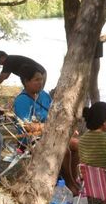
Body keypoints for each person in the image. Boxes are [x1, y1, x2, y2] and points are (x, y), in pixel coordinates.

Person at [13, 65, 80, 194]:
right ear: (26, 81)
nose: (41, 83)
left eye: (42, 79)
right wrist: (52, 127)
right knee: (64, 150)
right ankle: (69, 183)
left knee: (77, 145)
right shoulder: (21, 100)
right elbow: (28, 127)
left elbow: (54, 114)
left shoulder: (43, 95)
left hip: (52, 134)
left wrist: (67, 126)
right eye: (36, 80)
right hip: (31, 139)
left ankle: (73, 178)